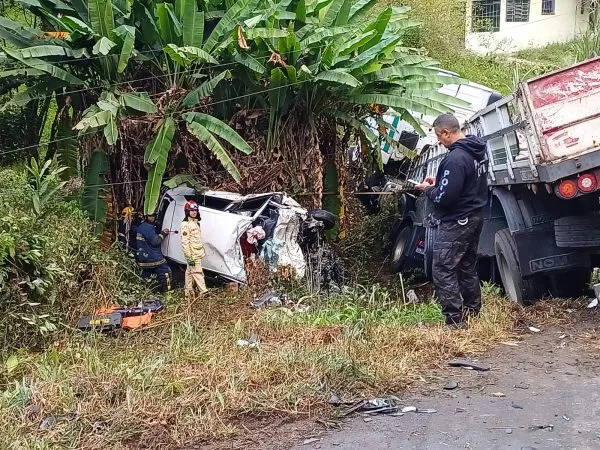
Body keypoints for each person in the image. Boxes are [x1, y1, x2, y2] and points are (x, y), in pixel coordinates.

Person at [416, 114, 489, 327]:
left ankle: (455, 320)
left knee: (442, 267)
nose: (439, 141)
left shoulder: (455, 158)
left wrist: (428, 189)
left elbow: (444, 198)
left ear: (447, 132)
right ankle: (472, 310)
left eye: (439, 136)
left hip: (457, 221)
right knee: (466, 265)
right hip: (474, 216)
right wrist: (441, 182)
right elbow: (466, 182)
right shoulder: (477, 151)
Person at [136, 212, 172, 293]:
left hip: (142, 259)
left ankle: (145, 293)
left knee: (146, 279)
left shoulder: (141, 226)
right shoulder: (148, 228)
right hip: (153, 258)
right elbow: (155, 242)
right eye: (150, 216)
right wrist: (163, 234)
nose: (152, 218)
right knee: (166, 272)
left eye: (153, 216)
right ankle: (168, 293)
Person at [180, 200, 207, 299]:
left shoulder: (195, 222)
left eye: (195, 210)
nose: (194, 212)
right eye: (191, 210)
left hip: (198, 252)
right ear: (187, 212)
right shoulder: (185, 224)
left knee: (189, 272)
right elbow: (185, 242)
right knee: (197, 272)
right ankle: (204, 292)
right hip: (193, 254)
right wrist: (188, 256)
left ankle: (188, 292)